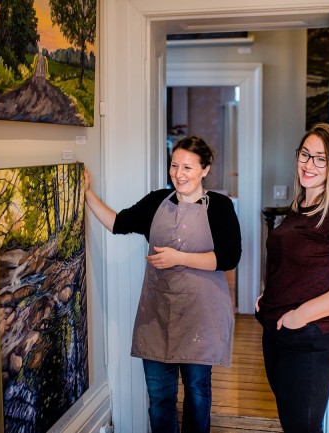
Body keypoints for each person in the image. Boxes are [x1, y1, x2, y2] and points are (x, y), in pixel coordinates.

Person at [84, 136, 242, 433]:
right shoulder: (157, 201)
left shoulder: (219, 206)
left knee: (197, 393)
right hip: (157, 316)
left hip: (200, 316)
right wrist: (87, 193)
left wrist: (178, 258)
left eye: (188, 167)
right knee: (159, 398)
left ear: (205, 170)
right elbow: (118, 223)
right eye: (174, 166)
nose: (179, 174)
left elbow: (229, 257)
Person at [255, 123, 329, 433]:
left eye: (321, 158)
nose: (309, 164)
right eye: (305, 154)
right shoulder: (302, 207)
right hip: (279, 332)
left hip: (310, 337)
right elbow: (295, 265)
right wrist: (269, 295)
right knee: (293, 424)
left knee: (302, 428)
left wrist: (300, 316)